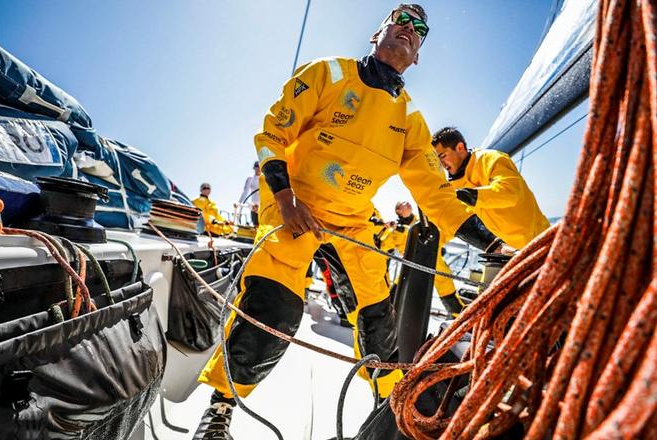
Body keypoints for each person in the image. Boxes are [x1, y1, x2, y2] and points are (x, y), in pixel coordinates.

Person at [193, 5, 507, 438]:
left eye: (420, 31)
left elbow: (436, 194)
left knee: (381, 321)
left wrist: (491, 245)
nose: (409, 31)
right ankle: (219, 410)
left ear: (418, 56)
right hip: (294, 205)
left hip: (352, 223)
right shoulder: (327, 74)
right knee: (275, 306)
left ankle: (391, 413)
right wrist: (284, 198)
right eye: (401, 20)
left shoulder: (410, 120)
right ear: (378, 32)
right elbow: (271, 138)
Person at [431, 126, 550, 316]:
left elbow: (511, 192)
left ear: (460, 147)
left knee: (538, 309)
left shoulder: (492, 159)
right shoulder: (455, 183)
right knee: (488, 306)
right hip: (500, 253)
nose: (441, 163)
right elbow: (456, 220)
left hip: (537, 246)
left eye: (442, 155)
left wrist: (472, 196)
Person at [234, 161, 261, 226]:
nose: (258, 168)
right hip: (254, 206)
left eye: (259, 166)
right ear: (254, 168)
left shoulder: (265, 177)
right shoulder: (251, 178)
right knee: (256, 225)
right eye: (257, 167)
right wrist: (239, 203)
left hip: (263, 205)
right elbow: (245, 192)